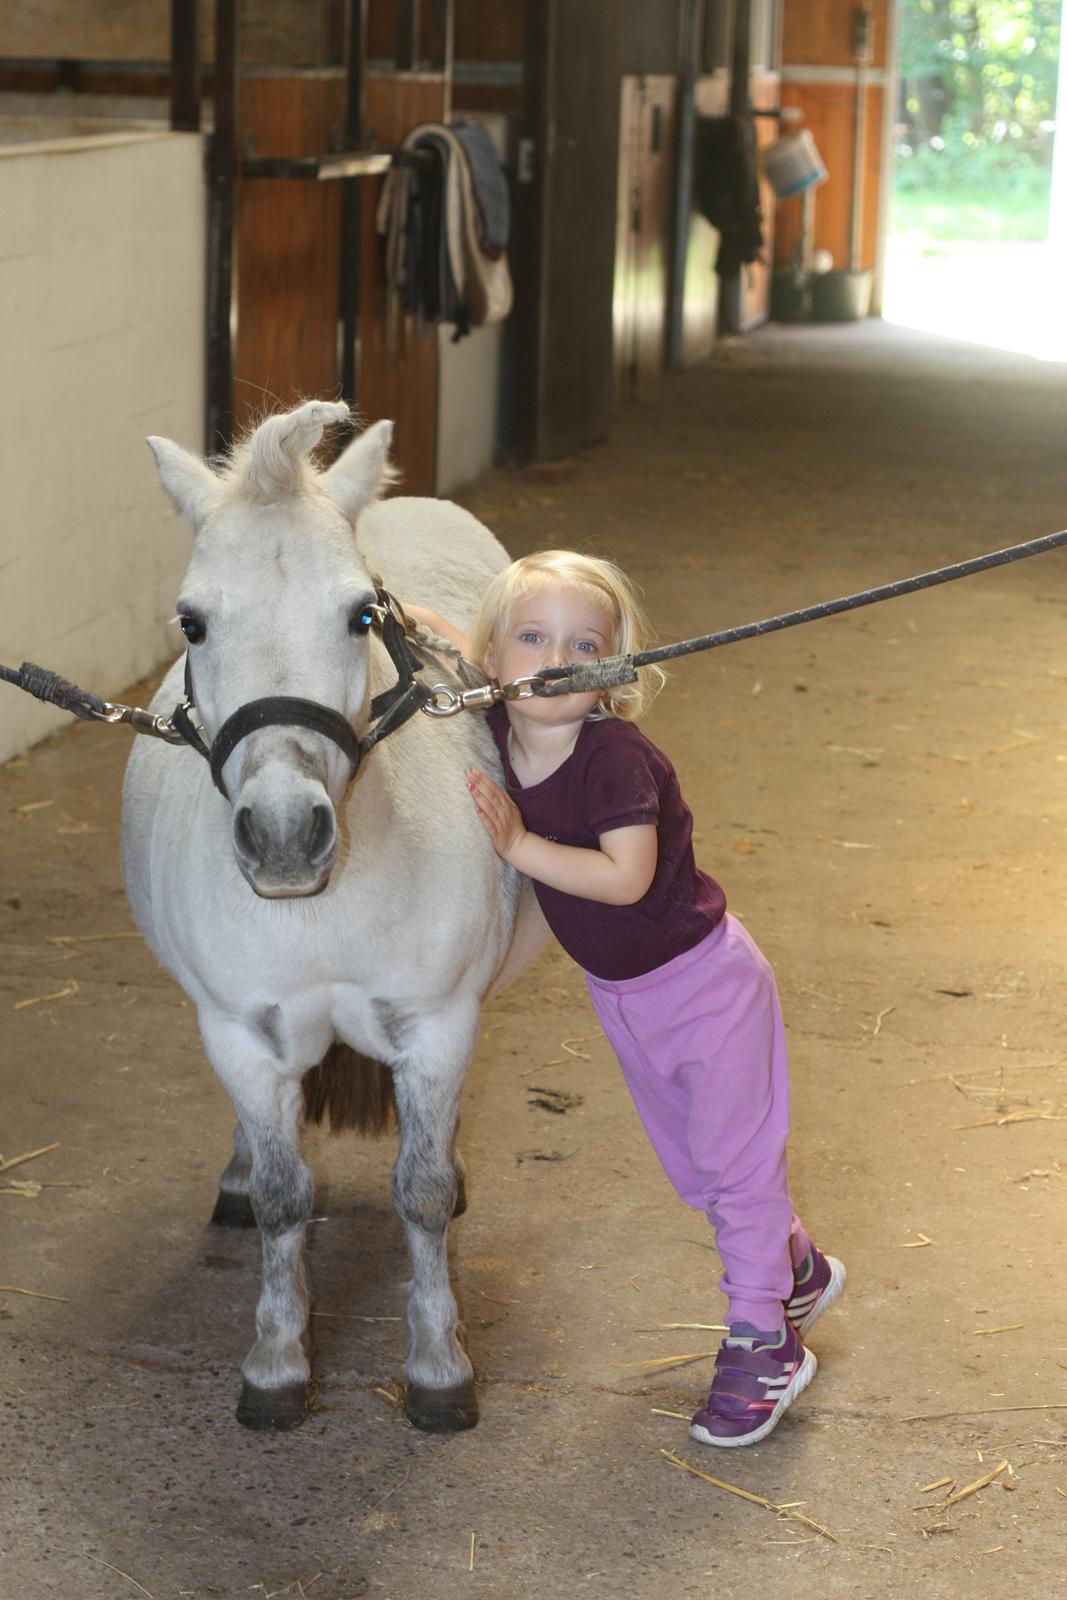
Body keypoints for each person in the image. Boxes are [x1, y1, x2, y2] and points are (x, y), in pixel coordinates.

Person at [406, 550, 844, 1448]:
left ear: (612, 667)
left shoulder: (613, 758)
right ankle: (794, 1264)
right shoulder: (498, 721)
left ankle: (765, 1341)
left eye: (582, 642)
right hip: (627, 997)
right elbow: (449, 642)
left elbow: (624, 876)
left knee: (735, 1173)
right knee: (697, 1173)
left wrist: (520, 846)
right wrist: (390, 602)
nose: (552, 657)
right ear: (493, 659)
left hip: (709, 987)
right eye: (531, 638)